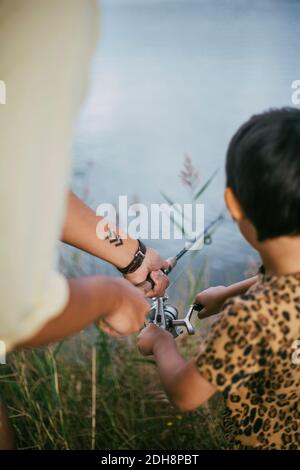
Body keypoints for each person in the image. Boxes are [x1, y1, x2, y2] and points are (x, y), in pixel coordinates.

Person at [0, 0, 168, 448]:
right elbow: (11, 309)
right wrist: (109, 298)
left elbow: (17, 174)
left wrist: (131, 257)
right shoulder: (46, 16)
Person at [138, 108, 300, 450]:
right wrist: (228, 293)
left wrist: (160, 342)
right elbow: (285, 286)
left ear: (233, 204)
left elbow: (185, 394)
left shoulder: (252, 319)